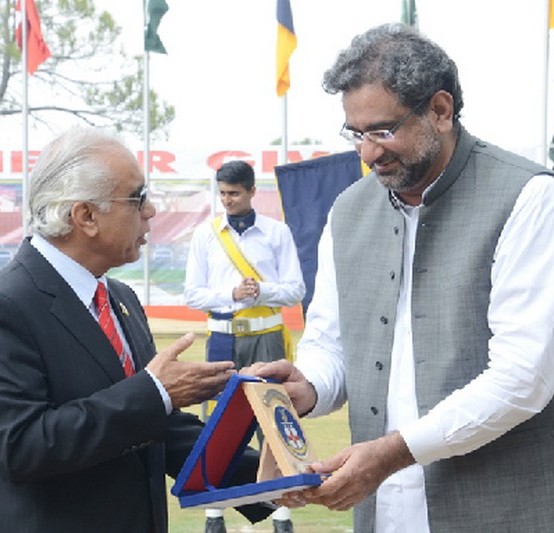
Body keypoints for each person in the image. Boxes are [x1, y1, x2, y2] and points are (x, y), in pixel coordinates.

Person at [248, 23, 554, 533]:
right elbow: (330, 344)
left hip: (499, 510)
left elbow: (524, 378)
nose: (367, 153)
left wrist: (391, 454)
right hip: (383, 513)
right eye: (356, 133)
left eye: (383, 130)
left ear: (440, 110)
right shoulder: (348, 210)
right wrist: (309, 386)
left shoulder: (528, 198)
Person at [0, 128, 273, 533]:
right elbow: (20, 446)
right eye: (137, 198)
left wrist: (271, 479)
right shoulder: (11, 303)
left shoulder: (119, 297)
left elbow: (156, 424)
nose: (151, 211)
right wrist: (156, 392)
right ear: (85, 216)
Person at [184, 160, 305, 533]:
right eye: (222, 193)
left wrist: (261, 291)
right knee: (218, 426)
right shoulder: (205, 235)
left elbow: (296, 289)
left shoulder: (277, 232)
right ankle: (214, 512)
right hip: (222, 337)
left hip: (267, 337)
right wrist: (232, 295)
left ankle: (281, 514)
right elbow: (193, 294)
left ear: (252, 191)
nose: (227, 200)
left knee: (274, 423)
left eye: (234, 193)